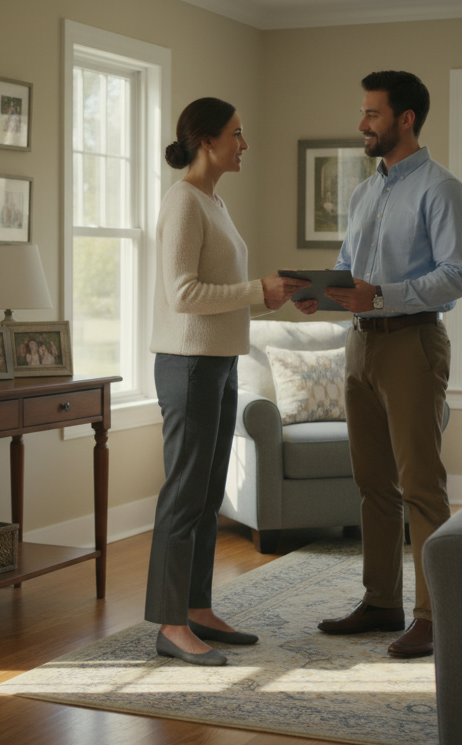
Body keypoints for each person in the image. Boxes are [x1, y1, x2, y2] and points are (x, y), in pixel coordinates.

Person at [296, 71, 462, 659]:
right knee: (372, 483)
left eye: (372, 114)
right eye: (364, 113)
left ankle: (433, 615)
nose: (362, 124)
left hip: (411, 344)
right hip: (359, 345)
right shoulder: (363, 194)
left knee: (420, 485)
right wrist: (322, 293)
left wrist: (383, 296)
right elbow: (350, 267)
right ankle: (380, 602)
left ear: (406, 119)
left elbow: (457, 276)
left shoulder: (442, 189)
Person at [146, 97, 309, 667]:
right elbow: (183, 294)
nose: (245, 144)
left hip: (218, 361)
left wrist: (272, 298)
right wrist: (255, 290)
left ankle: (197, 607)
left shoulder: (214, 202)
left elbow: (221, 295)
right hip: (188, 364)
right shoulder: (183, 202)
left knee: (208, 494)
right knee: (184, 494)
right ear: (207, 140)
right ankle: (171, 625)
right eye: (236, 134)